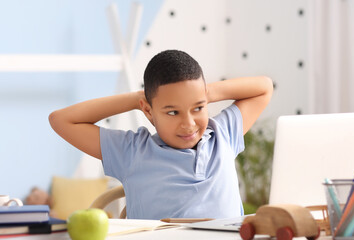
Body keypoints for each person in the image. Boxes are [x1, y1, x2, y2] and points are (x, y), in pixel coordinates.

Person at [49, 49, 273, 220]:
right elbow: (61, 120)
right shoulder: (131, 151)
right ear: (148, 110)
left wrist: (205, 92)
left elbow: (264, 86)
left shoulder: (223, 133)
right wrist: (138, 98)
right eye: (173, 112)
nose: (189, 124)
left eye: (198, 108)